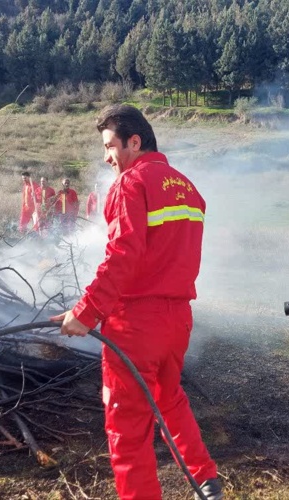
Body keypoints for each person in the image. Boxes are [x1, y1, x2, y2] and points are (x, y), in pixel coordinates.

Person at [51, 104, 222, 500]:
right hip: (177, 319)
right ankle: (205, 480)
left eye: (110, 146)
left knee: (126, 429)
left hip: (136, 324)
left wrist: (88, 313)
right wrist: (84, 309)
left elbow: (123, 257)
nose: (107, 157)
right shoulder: (187, 187)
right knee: (169, 397)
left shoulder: (130, 184)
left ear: (134, 141)